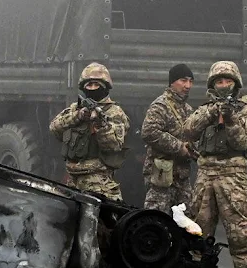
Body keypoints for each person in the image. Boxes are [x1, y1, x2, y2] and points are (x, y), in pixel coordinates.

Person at [184, 61, 247, 268]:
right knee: (198, 232)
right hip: (206, 175)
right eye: (219, 81)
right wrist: (211, 113)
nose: (224, 85)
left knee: (240, 233)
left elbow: (242, 142)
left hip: (233, 176)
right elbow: (188, 130)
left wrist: (230, 120)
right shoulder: (205, 108)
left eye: (228, 81)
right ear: (212, 84)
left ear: (236, 83)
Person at [49, 62, 130, 201]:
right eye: (89, 85)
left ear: (105, 87)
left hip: (99, 183)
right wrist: (78, 116)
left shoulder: (114, 112)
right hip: (72, 181)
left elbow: (114, 145)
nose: (92, 88)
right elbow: (54, 128)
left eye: (96, 85)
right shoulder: (76, 108)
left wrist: (99, 124)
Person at [141, 64, 197, 214]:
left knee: (185, 222)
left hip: (182, 177)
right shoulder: (161, 106)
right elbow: (149, 132)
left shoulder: (188, 109)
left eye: (191, 81)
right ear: (172, 82)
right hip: (162, 177)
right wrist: (179, 147)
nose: (188, 85)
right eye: (183, 80)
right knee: (157, 220)